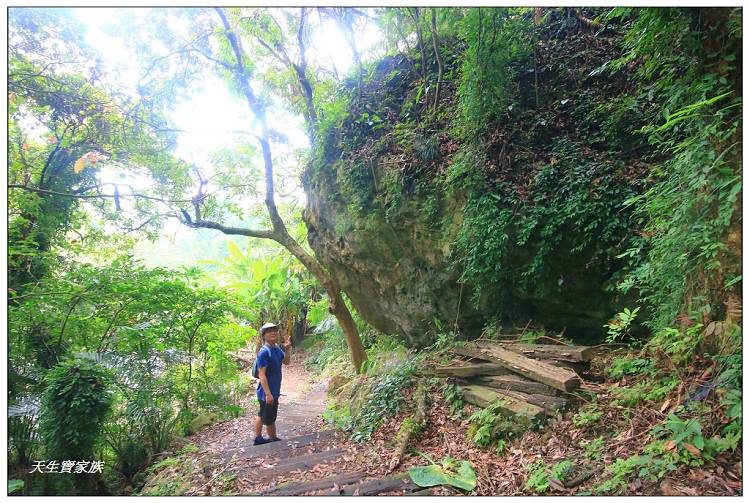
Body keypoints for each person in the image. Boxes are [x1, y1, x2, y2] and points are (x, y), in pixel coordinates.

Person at [253, 322, 291, 446]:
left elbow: (286, 362)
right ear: (264, 335)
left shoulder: (276, 348)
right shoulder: (264, 352)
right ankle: (273, 440)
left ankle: (258, 438)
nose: (273, 332)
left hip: (273, 390)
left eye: (274, 330)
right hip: (267, 391)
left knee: (263, 413)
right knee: (269, 418)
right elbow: (261, 374)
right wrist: (268, 394)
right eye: (269, 331)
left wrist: (287, 349)